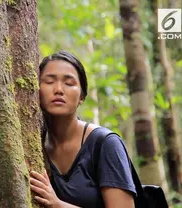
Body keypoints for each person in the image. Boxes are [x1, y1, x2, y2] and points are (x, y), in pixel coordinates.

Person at [29, 51, 136, 208]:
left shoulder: (105, 144)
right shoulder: (33, 143)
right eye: (49, 82)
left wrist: (57, 205)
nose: (58, 89)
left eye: (69, 83)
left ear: (82, 96)